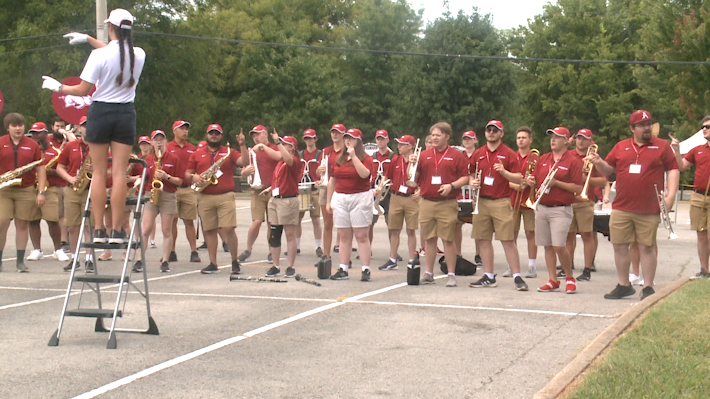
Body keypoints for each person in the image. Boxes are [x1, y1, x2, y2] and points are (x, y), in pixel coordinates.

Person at [43, 8, 146, 245]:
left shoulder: (98, 56)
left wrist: (58, 87)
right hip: (125, 113)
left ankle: (99, 229)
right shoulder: (139, 54)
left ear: (111, 28)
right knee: (119, 172)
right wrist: (89, 40)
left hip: (100, 111)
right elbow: (118, 51)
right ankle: (118, 230)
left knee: (99, 171)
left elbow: (81, 90)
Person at [589, 110, 679, 300]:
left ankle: (647, 287)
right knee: (619, 245)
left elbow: (673, 170)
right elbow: (609, 169)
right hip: (622, 206)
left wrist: (670, 196)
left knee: (646, 247)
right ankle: (624, 284)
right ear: (632, 128)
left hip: (649, 208)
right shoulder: (621, 147)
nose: (647, 128)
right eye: (642, 125)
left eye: (649, 124)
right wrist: (598, 163)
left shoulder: (661, 146)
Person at [521, 127, 583, 293]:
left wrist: (557, 183)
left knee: (558, 246)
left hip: (561, 209)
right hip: (542, 207)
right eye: (552, 137)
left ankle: (569, 277)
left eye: (557, 137)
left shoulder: (573, 161)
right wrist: (531, 181)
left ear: (566, 140)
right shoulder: (544, 158)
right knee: (547, 245)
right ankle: (552, 280)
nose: (553, 140)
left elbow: (577, 186)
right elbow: (536, 178)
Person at [469, 120, 528, 291]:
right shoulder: (479, 153)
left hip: (501, 200)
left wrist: (503, 172)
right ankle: (489, 275)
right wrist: (473, 183)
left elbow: (519, 178)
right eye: (489, 130)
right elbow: (471, 173)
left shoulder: (509, 153)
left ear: (501, 133)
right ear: (485, 133)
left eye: (495, 130)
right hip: (482, 200)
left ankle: (517, 276)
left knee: (507, 240)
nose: (491, 133)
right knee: (484, 239)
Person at [413, 122, 469, 287]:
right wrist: (413, 164)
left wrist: (451, 186)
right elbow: (414, 178)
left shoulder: (456, 155)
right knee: (429, 239)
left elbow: (465, 177)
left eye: (438, 135)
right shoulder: (424, 155)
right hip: (427, 202)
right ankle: (428, 273)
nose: (434, 138)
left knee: (448, 239)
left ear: (446, 136)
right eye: (433, 135)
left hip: (447, 202)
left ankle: (451, 274)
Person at [185, 124, 246, 275]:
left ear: (221, 135)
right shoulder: (197, 153)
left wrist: (243, 145)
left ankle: (234, 261)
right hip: (205, 195)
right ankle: (213, 263)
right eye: (211, 133)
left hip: (225, 195)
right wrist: (194, 177)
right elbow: (187, 173)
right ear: (206, 135)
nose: (214, 135)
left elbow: (244, 162)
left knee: (228, 229)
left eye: (217, 133)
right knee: (209, 230)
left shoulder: (229, 152)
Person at [0, 113, 47, 272]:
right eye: (14, 125)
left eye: (20, 125)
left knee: (22, 224)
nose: (18, 128)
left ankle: (20, 262)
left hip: (25, 189)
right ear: (8, 127)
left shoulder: (32, 145)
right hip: (4, 189)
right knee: (2, 223)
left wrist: (41, 192)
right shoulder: (1, 142)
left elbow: (40, 169)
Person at [326, 128, 375, 281]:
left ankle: (365, 269)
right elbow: (332, 179)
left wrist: (353, 157)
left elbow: (364, 174)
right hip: (341, 196)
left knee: (361, 235)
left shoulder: (366, 158)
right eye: (347, 138)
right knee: (344, 236)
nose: (348, 140)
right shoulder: (339, 158)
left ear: (358, 141)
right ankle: (343, 268)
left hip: (359, 196)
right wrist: (329, 201)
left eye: (352, 138)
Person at [131, 130, 181, 273]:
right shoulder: (147, 160)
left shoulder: (174, 158)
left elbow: (180, 181)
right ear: (152, 142)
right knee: (146, 228)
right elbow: (143, 176)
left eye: (161, 139)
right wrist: (138, 181)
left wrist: (167, 176)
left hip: (168, 194)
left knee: (166, 229)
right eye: (156, 140)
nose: (159, 142)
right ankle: (140, 260)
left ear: (165, 141)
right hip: (151, 193)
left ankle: (165, 260)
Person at [671, 115, 710, 280]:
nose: (704, 129)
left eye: (708, 126)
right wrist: (677, 151)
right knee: (701, 234)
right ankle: (704, 270)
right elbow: (680, 166)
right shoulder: (698, 149)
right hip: (698, 196)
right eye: (703, 126)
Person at [26, 122, 70, 262]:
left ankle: (58, 249)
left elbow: (64, 169)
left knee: (52, 219)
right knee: (33, 219)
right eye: (33, 133)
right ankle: (37, 250)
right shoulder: (28, 149)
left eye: (38, 133)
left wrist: (46, 171)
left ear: (46, 134)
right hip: (31, 187)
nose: (35, 136)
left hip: (51, 188)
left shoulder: (55, 151)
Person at [55, 116, 94, 272]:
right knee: (72, 226)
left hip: (91, 189)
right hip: (72, 188)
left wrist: (96, 169)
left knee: (88, 226)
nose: (87, 128)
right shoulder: (71, 146)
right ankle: (75, 258)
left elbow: (111, 171)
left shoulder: (99, 146)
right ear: (79, 128)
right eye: (84, 125)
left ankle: (89, 259)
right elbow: (60, 167)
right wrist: (70, 178)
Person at [260, 133, 301, 277]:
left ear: (291, 147)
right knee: (274, 234)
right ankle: (275, 265)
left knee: (290, 234)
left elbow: (289, 160)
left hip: (288, 200)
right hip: (276, 199)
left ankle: (291, 265)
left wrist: (277, 142)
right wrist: (270, 189)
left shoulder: (294, 160)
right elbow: (280, 178)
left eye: (284, 144)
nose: (281, 146)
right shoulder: (280, 162)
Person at [569, 129, 607, 282]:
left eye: (584, 139)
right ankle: (568, 265)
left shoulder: (594, 158)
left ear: (590, 141)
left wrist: (586, 179)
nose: (580, 141)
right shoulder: (569, 155)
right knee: (568, 235)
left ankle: (587, 268)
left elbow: (603, 181)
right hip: (568, 200)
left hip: (585, 201)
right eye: (578, 138)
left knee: (587, 234)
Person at [237, 125, 279, 263]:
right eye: (253, 136)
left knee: (271, 223)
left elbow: (279, 159)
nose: (255, 138)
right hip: (257, 190)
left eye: (258, 134)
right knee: (256, 222)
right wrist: (245, 172)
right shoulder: (252, 152)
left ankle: (271, 250)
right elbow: (243, 171)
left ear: (265, 134)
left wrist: (262, 147)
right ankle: (248, 249)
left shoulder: (273, 148)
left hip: (271, 189)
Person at [378, 135, 419, 271]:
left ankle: (412, 258)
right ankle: (392, 259)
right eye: (399, 144)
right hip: (395, 196)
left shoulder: (417, 161)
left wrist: (421, 190)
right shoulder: (395, 160)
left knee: (411, 230)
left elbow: (424, 177)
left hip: (411, 197)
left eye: (402, 144)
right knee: (394, 229)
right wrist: (380, 186)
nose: (399, 147)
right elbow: (386, 175)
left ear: (410, 147)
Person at [166, 120, 200, 263]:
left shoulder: (192, 148)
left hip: (187, 188)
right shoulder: (168, 148)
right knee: (171, 222)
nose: (185, 131)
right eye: (182, 129)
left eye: (186, 129)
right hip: (172, 189)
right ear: (174, 131)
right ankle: (171, 251)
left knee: (189, 221)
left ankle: (193, 251)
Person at [508, 126, 538, 278]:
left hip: (529, 200)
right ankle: (511, 265)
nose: (520, 140)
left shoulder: (535, 158)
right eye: (518, 137)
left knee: (530, 233)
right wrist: (517, 185)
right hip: (513, 199)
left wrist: (532, 182)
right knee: (511, 234)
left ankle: (532, 265)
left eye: (524, 138)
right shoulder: (511, 157)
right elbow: (505, 178)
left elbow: (539, 177)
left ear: (530, 140)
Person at [315, 124, 346, 266]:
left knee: (343, 225)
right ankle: (326, 255)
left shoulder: (346, 151)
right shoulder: (326, 151)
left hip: (342, 187)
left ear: (343, 135)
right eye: (333, 132)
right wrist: (319, 170)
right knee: (328, 224)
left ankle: (344, 257)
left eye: (338, 133)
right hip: (326, 187)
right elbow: (319, 173)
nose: (335, 135)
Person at [454, 130, 481, 264]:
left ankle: (479, 254)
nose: (467, 141)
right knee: (456, 224)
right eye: (465, 139)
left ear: (475, 140)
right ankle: (457, 253)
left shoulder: (480, 154)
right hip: (461, 194)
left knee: (479, 225)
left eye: (470, 139)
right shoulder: (458, 155)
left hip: (477, 194)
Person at [296, 128, 323, 256]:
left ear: (315, 139)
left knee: (316, 219)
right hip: (301, 188)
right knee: (297, 219)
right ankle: (296, 246)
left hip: (314, 189)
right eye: (306, 138)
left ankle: (318, 246)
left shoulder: (320, 154)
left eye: (311, 138)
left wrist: (320, 180)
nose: (308, 141)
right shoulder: (300, 154)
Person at [369, 129, 394, 244]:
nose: (380, 141)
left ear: (387, 140)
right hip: (374, 191)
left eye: (382, 139)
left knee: (391, 224)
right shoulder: (373, 156)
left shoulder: (393, 156)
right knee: (369, 223)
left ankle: (393, 252)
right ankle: (367, 248)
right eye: (378, 139)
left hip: (388, 193)